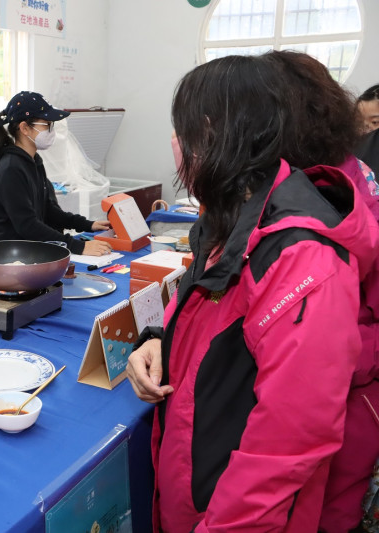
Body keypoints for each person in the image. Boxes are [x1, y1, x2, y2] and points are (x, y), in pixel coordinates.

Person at [125, 55, 379, 532]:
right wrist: (161, 341)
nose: (177, 147)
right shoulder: (226, 219)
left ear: (220, 134)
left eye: (186, 131)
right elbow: (209, 323)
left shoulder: (304, 260)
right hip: (193, 479)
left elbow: (282, 452)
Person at [259, 50, 379, 532]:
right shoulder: (313, 176)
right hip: (322, 384)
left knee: (325, 511)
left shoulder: (339, 191)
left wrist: (322, 358)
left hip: (343, 394)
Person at [0, 91, 112, 255]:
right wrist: (77, 246)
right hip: (9, 256)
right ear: (24, 128)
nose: (52, 131)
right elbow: (27, 225)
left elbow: (49, 210)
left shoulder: (34, 161)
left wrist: (87, 225)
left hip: (30, 250)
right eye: (47, 125)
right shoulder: (11, 168)